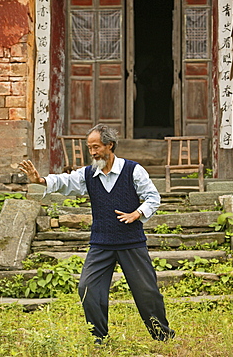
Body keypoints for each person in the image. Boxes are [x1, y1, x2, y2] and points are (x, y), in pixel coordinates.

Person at [19, 123, 175, 344]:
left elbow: (153, 197)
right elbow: (66, 181)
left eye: (96, 147)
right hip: (101, 243)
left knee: (147, 293)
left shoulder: (133, 170)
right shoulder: (88, 174)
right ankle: (99, 337)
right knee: (88, 288)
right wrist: (41, 180)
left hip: (131, 242)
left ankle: (162, 335)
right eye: (89, 148)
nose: (92, 152)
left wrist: (137, 213)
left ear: (110, 145)